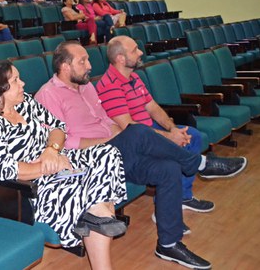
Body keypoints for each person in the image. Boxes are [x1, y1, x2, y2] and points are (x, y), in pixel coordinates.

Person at [35, 41, 248, 270]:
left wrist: (118, 139)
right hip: (87, 161)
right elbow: (62, 143)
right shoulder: (48, 96)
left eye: (88, 59)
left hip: (114, 155)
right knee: (136, 131)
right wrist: (109, 142)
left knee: (168, 168)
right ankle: (201, 164)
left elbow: (106, 121)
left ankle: (169, 244)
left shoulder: (86, 87)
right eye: (82, 61)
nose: (89, 65)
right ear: (65, 67)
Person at [0, 60, 128, 269]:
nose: (23, 84)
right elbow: (5, 170)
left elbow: (58, 127)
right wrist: (51, 166)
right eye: (16, 80)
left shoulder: (26, 103)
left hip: (58, 162)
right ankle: (100, 216)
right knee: (93, 196)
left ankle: (97, 213)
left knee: (107, 152)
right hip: (35, 188)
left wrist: (51, 150)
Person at [97, 36, 214, 212]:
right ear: (120, 58)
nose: (141, 52)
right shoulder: (109, 86)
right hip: (137, 140)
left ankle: (183, 197)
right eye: (135, 50)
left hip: (150, 130)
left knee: (193, 136)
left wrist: (173, 129)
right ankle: (173, 197)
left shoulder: (134, 77)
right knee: (177, 147)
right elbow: (129, 128)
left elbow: (153, 108)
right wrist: (169, 137)